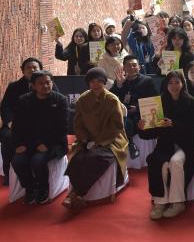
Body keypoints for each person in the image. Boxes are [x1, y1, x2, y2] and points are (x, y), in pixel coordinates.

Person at [63, 68, 128, 210]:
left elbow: (116, 126)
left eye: (99, 81)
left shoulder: (112, 100)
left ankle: (76, 194)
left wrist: (98, 142)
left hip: (112, 140)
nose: (96, 84)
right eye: (92, 81)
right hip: (88, 139)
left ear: (104, 83)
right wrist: (84, 139)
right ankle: (75, 194)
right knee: (77, 158)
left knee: (96, 158)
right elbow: (78, 124)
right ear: (88, 83)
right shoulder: (83, 99)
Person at [140, 71, 194, 219]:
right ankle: (160, 202)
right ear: (165, 85)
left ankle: (178, 202)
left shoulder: (192, 102)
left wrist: (174, 125)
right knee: (156, 161)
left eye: (177, 82)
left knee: (175, 161)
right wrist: (143, 128)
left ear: (182, 84)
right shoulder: (158, 103)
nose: (174, 86)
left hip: (186, 145)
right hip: (166, 144)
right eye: (170, 83)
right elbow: (152, 134)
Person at [10, 71, 68, 204]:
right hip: (28, 142)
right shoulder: (24, 100)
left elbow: (61, 128)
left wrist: (46, 144)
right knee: (17, 161)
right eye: (41, 83)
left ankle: (43, 189)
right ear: (33, 85)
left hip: (53, 143)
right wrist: (18, 144)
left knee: (37, 161)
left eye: (48, 82)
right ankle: (30, 188)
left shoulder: (60, 100)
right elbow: (17, 126)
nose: (45, 86)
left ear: (52, 83)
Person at [1, 58, 50, 182]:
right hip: (16, 124)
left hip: (40, 125)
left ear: (40, 70)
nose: (32, 70)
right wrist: (10, 122)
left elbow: (56, 106)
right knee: (6, 135)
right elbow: (5, 107)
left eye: (35, 67)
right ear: (23, 71)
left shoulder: (47, 85)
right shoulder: (13, 86)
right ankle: (8, 173)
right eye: (28, 67)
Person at [110, 55, 158, 159]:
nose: (132, 68)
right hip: (124, 112)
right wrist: (119, 85)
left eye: (134, 65)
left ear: (139, 67)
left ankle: (131, 144)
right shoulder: (120, 80)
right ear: (124, 67)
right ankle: (130, 145)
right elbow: (111, 98)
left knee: (130, 121)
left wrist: (137, 108)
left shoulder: (147, 81)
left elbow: (153, 100)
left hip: (141, 112)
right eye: (128, 65)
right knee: (122, 120)